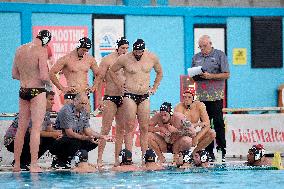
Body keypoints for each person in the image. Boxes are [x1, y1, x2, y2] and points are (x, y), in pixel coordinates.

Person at [110, 39, 163, 162]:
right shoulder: (124, 58)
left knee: (144, 127)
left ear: (143, 50)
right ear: (133, 50)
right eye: (136, 51)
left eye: (140, 51)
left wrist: (155, 87)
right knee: (129, 126)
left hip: (144, 95)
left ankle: (145, 156)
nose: (138, 54)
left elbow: (160, 72)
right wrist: (119, 85)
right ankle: (128, 156)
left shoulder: (151, 57)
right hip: (130, 94)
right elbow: (112, 71)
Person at [12, 30, 52, 172]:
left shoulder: (19, 49)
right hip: (37, 91)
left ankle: (16, 164)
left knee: (21, 129)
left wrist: (26, 78)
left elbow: (14, 74)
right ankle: (34, 164)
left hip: (23, 90)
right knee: (35, 128)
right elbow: (43, 75)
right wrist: (51, 85)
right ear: (46, 40)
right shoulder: (41, 50)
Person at [190, 35, 230, 161]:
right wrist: (195, 75)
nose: (202, 49)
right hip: (201, 96)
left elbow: (227, 74)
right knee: (205, 125)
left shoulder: (219, 55)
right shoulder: (196, 57)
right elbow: (192, 75)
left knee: (218, 122)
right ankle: (208, 152)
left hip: (215, 96)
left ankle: (221, 150)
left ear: (210, 44)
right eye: (200, 46)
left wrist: (210, 76)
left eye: (204, 46)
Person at [51, 93, 112, 169]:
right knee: (75, 141)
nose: (83, 105)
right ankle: (59, 160)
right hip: (58, 141)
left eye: (85, 103)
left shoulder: (84, 112)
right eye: (81, 103)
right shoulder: (66, 110)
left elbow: (88, 131)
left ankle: (74, 159)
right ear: (75, 101)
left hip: (73, 139)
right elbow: (69, 133)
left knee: (94, 141)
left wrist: (102, 136)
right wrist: (86, 138)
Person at [4, 91, 62, 170]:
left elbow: (48, 128)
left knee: (50, 139)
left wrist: (57, 133)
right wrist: (52, 134)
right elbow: (32, 131)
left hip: (25, 138)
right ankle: (21, 162)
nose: (53, 102)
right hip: (12, 140)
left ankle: (26, 161)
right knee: (35, 137)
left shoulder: (46, 112)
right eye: (51, 99)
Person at [96, 37, 129, 167]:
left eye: (127, 48)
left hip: (123, 98)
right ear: (117, 47)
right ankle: (99, 159)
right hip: (110, 97)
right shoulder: (107, 60)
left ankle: (117, 159)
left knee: (121, 129)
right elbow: (99, 80)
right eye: (123, 48)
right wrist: (99, 98)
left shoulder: (129, 61)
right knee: (105, 129)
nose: (125, 51)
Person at [49, 37, 99, 113]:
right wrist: (62, 88)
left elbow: (98, 74)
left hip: (84, 97)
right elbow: (51, 73)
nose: (84, 52)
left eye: (86, 51)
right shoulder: (66, 59)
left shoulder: (90, 59)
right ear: (78, 46)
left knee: (85, 123)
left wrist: (93, 87)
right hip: (71, 97)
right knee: (69, 123)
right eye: (83, 50)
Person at [174, 89, 216, 154]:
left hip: (193, 134)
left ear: (193, 98)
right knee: (186, 139)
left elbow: (207, 124)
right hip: (182, 134)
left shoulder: (200, 106)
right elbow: (179, 126)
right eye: (185, 97)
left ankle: (194, 153)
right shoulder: (179, 107)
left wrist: (197, 138)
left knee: (211, 133)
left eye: (189, 97)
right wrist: (197, 124)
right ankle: (179, 155)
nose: (186, 99)